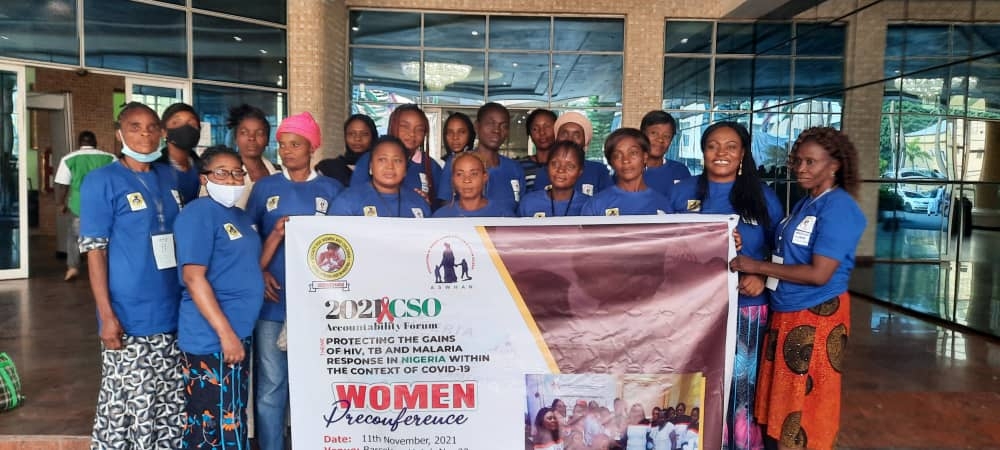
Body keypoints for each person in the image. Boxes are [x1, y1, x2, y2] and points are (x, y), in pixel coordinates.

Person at [729, 126, 866, 450]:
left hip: (817, 316)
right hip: (788, 313)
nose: (801, 169)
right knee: (785, 401)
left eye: (811, 162)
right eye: (798, 161)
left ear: (834, 165)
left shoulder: (839, 208)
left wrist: (756, 267)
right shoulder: (809, 202)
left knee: (807, 404)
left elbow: (820, 273)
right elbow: (786, 252)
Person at [667, 122, 783, 450]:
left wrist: (762, 277)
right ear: (702, 151)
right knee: (696, 382)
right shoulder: (682, 191)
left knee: (741, 389)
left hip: (747, 308)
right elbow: (664, 245)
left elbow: (782, 251)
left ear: (743, 153)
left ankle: (743, 445)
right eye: (713, 146)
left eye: (731, 146)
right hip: (694, 308)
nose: (722, 153)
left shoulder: (763, 198)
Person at [79, 102, 185, 449]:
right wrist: (106, 315)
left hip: (170, 312)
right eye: (135, 126)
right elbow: (95, 251)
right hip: (128, 315)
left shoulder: (167, 177)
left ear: (161, 133)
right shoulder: (102, 181)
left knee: (168, 407)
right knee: (130, 406)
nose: (144, 134)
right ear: (119, 133)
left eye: (152, 127)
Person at [245, 111, 344, 450]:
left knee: (315, 382)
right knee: (272, 384)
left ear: (312, 146)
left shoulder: (332, 190)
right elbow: (247, 240)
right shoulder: (264, 188)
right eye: (283, 145)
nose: (287, 151)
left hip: (320, 305)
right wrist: (260, 271)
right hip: (273, 302)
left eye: (296, 144)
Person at [173, 146, 264, 449]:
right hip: (212, 339)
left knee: (231, 415)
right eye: (222, 173)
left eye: (237, 172)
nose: (232, 179)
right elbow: (193, 277)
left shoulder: (239, 216)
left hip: (236, 335)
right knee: (211, 426)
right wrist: (226, 335)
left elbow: (247, 266)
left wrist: (276, 235)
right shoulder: (198, 214)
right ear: (204, 178)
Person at [437, 102, 525, 210]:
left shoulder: (514, 168)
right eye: (490, 124)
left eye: (503, 126)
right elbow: (446, 211)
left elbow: (520, 211)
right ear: (477, 126)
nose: (496, 130)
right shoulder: (456, 163)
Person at [54, 130, 114, 281]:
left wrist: (61, 203)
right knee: (107, 236)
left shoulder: (69, 159)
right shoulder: (109, 158)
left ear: (79, 142)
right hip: (104, 205)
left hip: (79, 205)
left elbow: (62, 185)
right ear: (95, 142)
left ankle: (73, 267)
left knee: (74, 236)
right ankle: (106, 267)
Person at [351, 105, 442, 202]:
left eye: (419, 129)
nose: (412, 134)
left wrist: (427, 204)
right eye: (405, 127)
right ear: (393, 126)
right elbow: (354, 197)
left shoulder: (431, 166)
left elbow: (441, 206)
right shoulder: (369, 159)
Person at [329, 136, 430, 218]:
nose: (390, 166)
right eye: (382, 160)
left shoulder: (419, 203)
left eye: (397, 160)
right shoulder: (347, 201)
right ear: (371, 167)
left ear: (405, 170)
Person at [581, 128, 670, 216]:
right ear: (610, 162)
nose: (626, 160)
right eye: (617, 156)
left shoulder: (662, 203)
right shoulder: (596, 205)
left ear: (645, 156)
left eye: (633, 153)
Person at [534, 112, 613, 196]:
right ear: (556, 138)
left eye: (576, 135)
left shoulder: (599, 171)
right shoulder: (544, 172)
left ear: (585, 141)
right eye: (564, 134)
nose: (570, 139)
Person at [227, 104, 280, 208]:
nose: (252, 138)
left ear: (267, 140)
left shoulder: (279, 173)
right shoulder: (222, 175)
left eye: (259, 133)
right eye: (244, 133)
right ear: (235, 138)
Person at [518, 140, 590, 217]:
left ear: (580, 172)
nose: (561, 170)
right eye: (555, 164)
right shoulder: (529, 203)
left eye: (570, 166)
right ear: (547, 166)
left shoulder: (588, 205)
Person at [433, 152, 515, 217]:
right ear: (453, 179)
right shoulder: (440, 217)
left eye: (474, 174)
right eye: (459, 174)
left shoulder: (503, 215)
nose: (467, 180)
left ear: (485, 177)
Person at [157, 102, 203, 204]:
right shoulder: (154, 169)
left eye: (192, 124)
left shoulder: (204, 168)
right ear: (164, 132)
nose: (185, 128)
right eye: (176, 123)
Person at [316, 114, 378, 187]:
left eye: (364, 134)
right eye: (351, 134)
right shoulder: (329, 168)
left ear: (373, 137)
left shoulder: (381, 169)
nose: (357, 139)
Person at [641, 110, 691, 197]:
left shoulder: (680, 171)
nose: (660, 139)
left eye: (666, 136)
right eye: (654, 133)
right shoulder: (629, 171)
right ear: (641, 134)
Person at [519, 109, 557, 191]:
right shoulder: (520, 166)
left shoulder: (563, 166)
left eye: (547, 127)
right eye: (535, 129)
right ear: (529, 134)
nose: (542, 132)